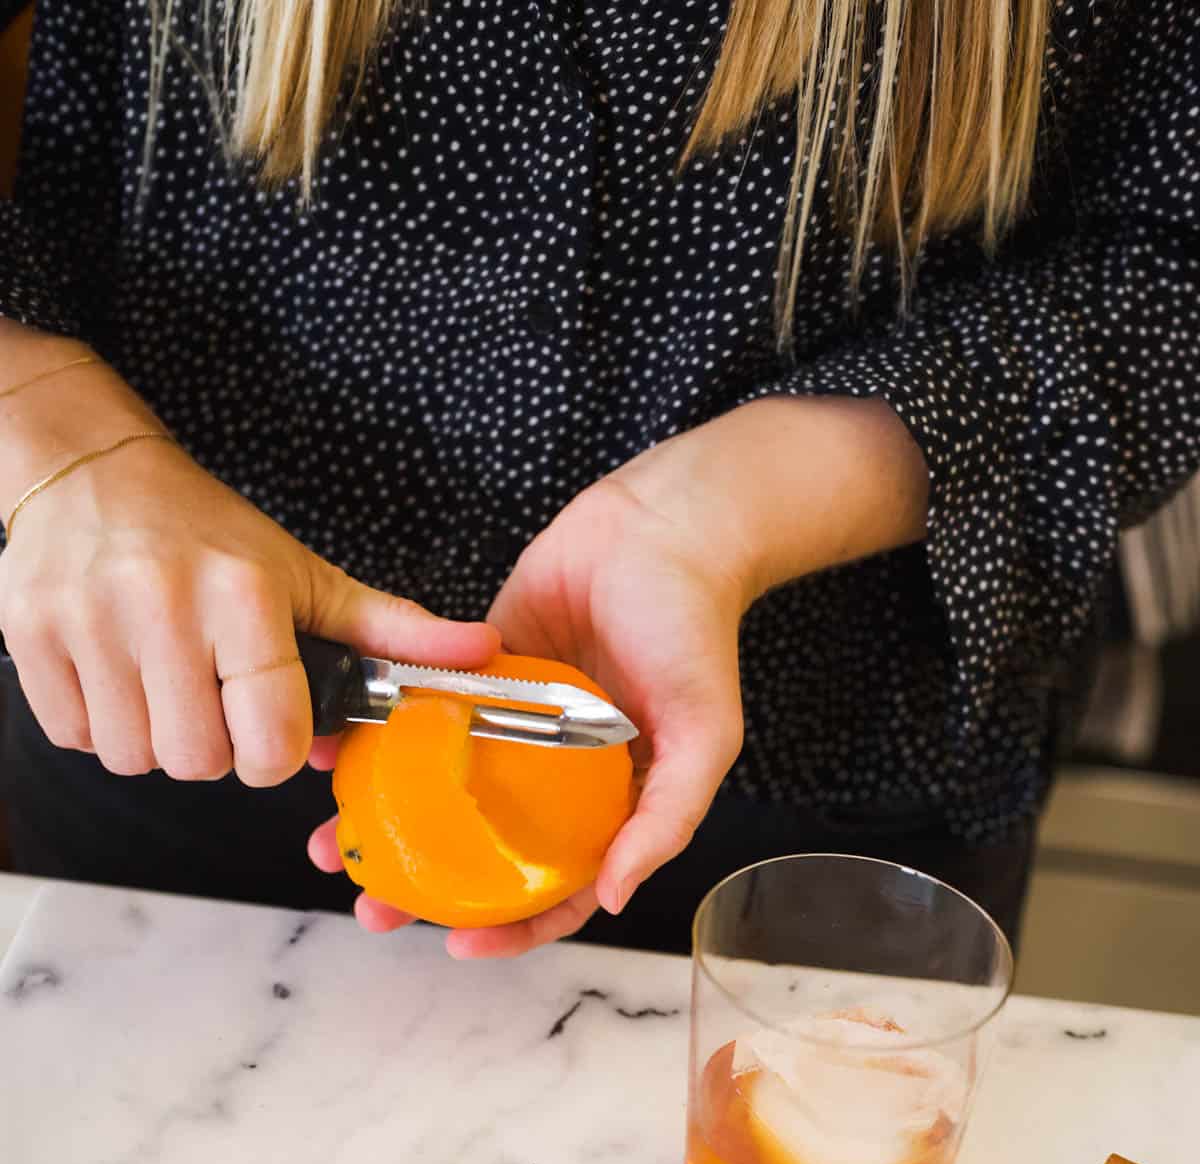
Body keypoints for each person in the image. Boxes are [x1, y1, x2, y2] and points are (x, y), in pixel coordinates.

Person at [0, 0, 1196, 960]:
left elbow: (1172, 276)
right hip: (156, 706)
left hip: (825, 799)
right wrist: (62, 445)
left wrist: (731, 511)